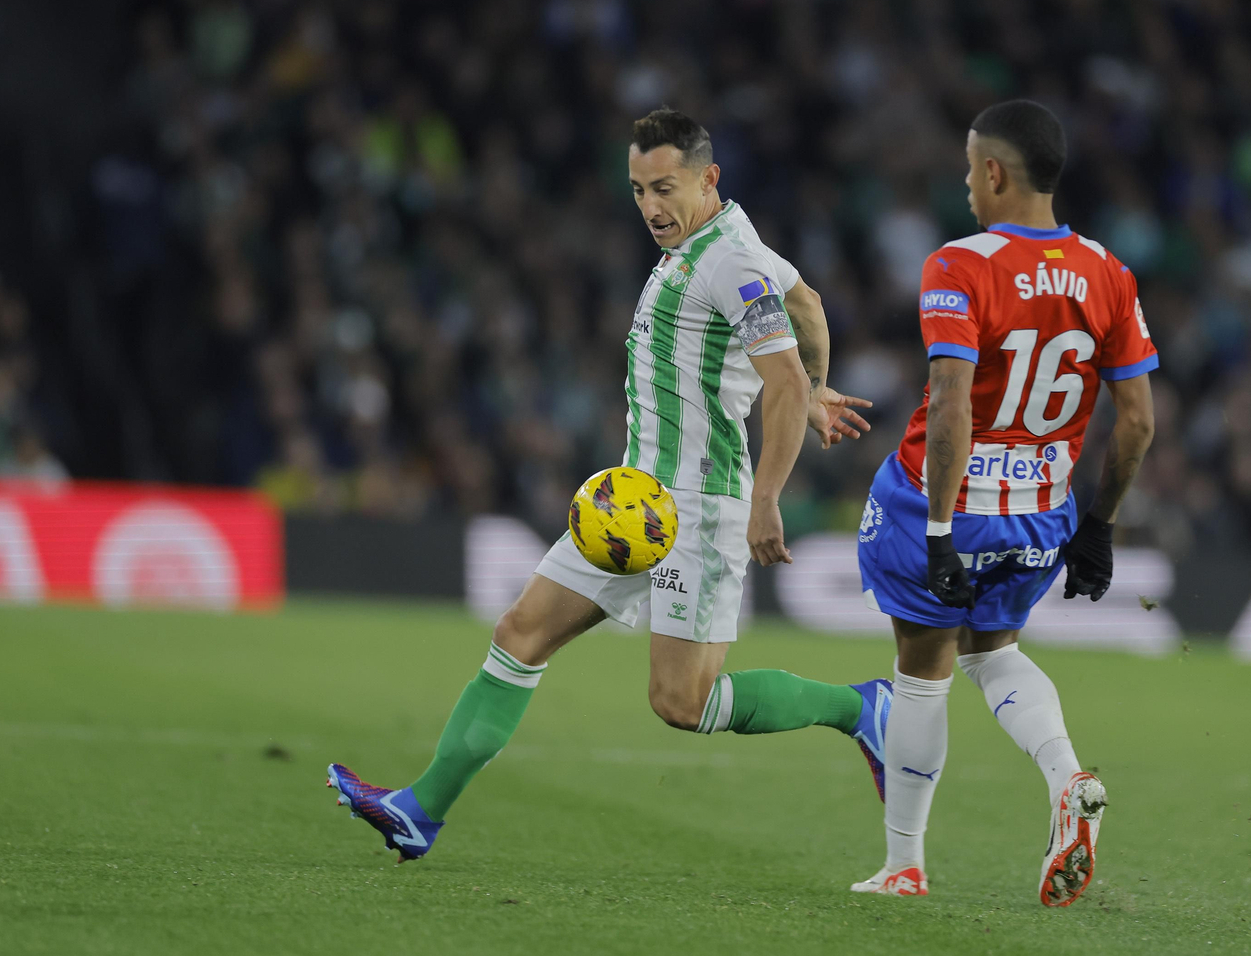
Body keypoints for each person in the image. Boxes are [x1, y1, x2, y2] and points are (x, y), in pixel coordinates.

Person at [326, 108, 892, 862]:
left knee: (682, 702)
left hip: (697, 509)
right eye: (636, 190)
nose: (650, 207)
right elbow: (809, 305)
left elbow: (782, 379)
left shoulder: (732, 262)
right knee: (519, 635)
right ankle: (418, 810)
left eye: (664, 188)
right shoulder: (704, 245)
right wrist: (821, 381)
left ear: (707, 178)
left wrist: (771, 483)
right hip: (632, 505)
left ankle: (861, 707)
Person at [850, 99, 1157, 904]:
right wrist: (1099, 525)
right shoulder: (1108, 272)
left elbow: (953, 401)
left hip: (944, 500)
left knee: (923, 673)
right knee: (993, 651)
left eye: (968, 165)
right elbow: (1138, 420)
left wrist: (943, 529)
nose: (964, 180)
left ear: (994, 171)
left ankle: (905, 864)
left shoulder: (960, 263)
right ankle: (1066, 777)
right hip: (1042, 510)